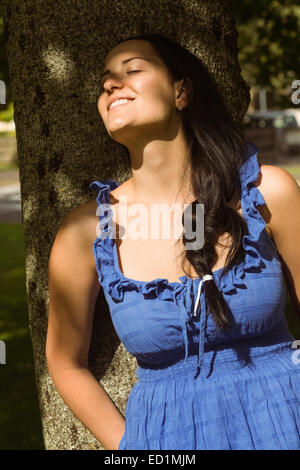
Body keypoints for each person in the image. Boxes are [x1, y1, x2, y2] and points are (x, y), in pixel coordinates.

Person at [46, 33, 300, 450]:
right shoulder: (85, 231)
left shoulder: (268, 192)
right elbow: (64, 361)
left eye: (132, 70)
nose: (111, 85)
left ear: (181, 92)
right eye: (104, 82)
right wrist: (133, 448)